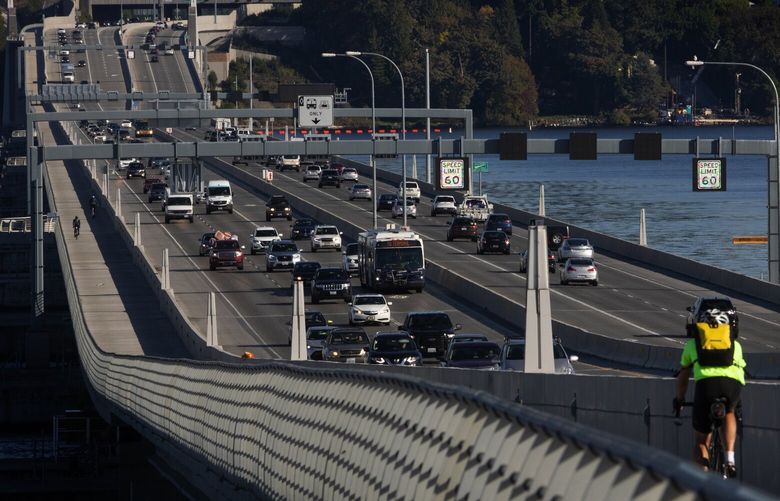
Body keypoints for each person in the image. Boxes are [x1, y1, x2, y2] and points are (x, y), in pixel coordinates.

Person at [674, 308, 746, 478]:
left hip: (706, 387)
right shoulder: (735, 345)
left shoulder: (693, 345)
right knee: (729, 411)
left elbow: (683, 376)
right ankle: (730, 459)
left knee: (701, 441)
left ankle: (703, 478)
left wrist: (679, 399)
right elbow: (740, 371)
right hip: (731, 386)